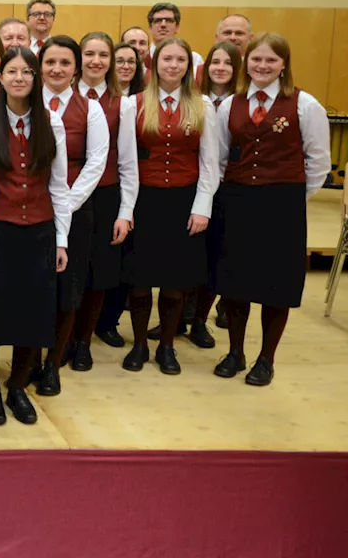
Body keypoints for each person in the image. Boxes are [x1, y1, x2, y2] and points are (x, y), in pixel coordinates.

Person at [0, 46, 70, 424]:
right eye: (12, 71)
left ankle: (17, 386)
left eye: (27, 71)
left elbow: (59, 188)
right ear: (1, 78)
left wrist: (61, 240)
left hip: (40, 233)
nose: (19, 77)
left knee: (33, 316)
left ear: (36, 78)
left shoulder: (52, 122)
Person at [213, 33, 329, 386]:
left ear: (283, 65)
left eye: (271, 61)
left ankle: (266, 358)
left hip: (282, 206)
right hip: (237, 201)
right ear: (246, 64)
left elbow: (318, 162)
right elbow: (218, 158)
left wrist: (290, 196)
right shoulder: (230, 105)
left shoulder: (305, 105)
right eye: (256, 60)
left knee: (275, 284)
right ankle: (235, 351)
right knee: (234, 281)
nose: (262, 66)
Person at [120, 37, 219, 375]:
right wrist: (126, 209)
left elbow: (210, 163)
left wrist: (202, 206)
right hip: (145, 200)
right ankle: (138, 344)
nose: (173, 66)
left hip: (183, 201)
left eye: (180, 60)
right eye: (167, 60)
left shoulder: (203, 105)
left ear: (188, 67)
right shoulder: (133, 105)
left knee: (175, 282)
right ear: (154, 64)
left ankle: (166, 346)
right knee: (140, 280)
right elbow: (127, 162)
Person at [34, 36, 108, 396]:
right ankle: (30, 358)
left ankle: (53, 364)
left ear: (75, 68)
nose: (57, 69)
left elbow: (97, 162)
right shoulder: (22, 104)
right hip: (30, 209)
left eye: (65, 63)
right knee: (34, 288)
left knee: (68, 288)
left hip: (76, 209)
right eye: (50, 62)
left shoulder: (90, 108)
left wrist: (67, 204)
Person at [69, 32, 138, 369]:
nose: (95, 61)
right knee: (68, 271)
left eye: (103, 55)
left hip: (105, 195)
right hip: (67, 196)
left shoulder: (122, 104)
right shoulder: (59, 98)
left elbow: (127, 162)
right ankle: (62, 339)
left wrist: (125, 211)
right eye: (89, 54)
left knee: (97, 275)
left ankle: (84, 341)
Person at [189, 42, 242, 339]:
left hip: (228, 189)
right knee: (191, 254)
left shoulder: (242, 102)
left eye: (227, 63)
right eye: (215, 62)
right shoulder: (195, 99)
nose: (220, 68)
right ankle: (180, 317)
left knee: (215, 257)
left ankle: (199, 318)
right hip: (196, 186)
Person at [148, 3, 204, 75]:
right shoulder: (142, 58)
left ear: (177, 27)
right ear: (150, 28)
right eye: (158, 20)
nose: (163, 25)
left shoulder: (194, 59)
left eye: (169, 20)